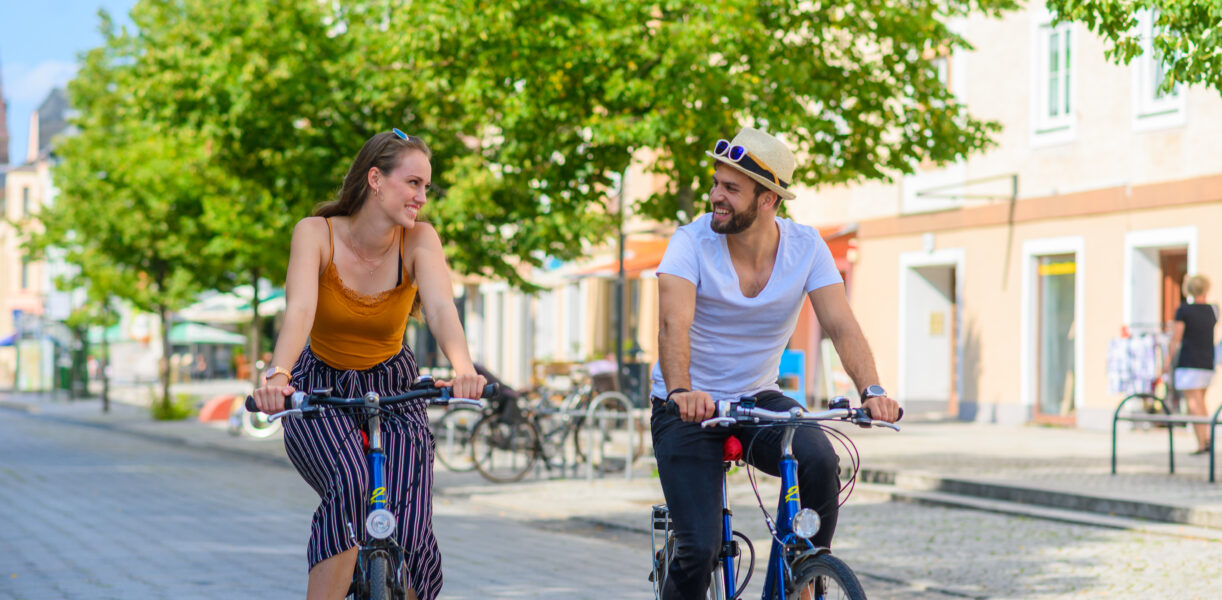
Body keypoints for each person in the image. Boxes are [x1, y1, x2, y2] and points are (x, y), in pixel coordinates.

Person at [651, 127, 901, 599]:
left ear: (768, 200)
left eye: (730, 189)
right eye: (715, 184)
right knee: (699, 549)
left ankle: (805, 572)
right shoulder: (690, 243)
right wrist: (682, 391)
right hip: (687, 404)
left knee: (820, 459)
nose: (715, 197)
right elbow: (672, 325)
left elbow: (841, 324)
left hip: (756, 399)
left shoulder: (806, 247)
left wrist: (872, 390)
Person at [250, 129, 485, 600]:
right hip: (320, 387)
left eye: (425, 187)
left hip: (393, 382)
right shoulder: (315, 234)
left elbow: (440, 308)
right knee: (353, 484)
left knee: (412, 518)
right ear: (375, 179)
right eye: (413, 183)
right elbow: (299, 311)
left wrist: (464, 369)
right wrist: (278, 376)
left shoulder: (419, 241)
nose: (421, 197)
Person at [1165, 274, 1217, 454]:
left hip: (1189, 362)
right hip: (1207, 361)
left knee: (1194, 405)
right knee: (1200, 402)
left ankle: (1203, 442)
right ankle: (1206, 439)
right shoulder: (1213, 310)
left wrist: (1167, 362)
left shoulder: (1184, 310)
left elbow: (1176, 338)